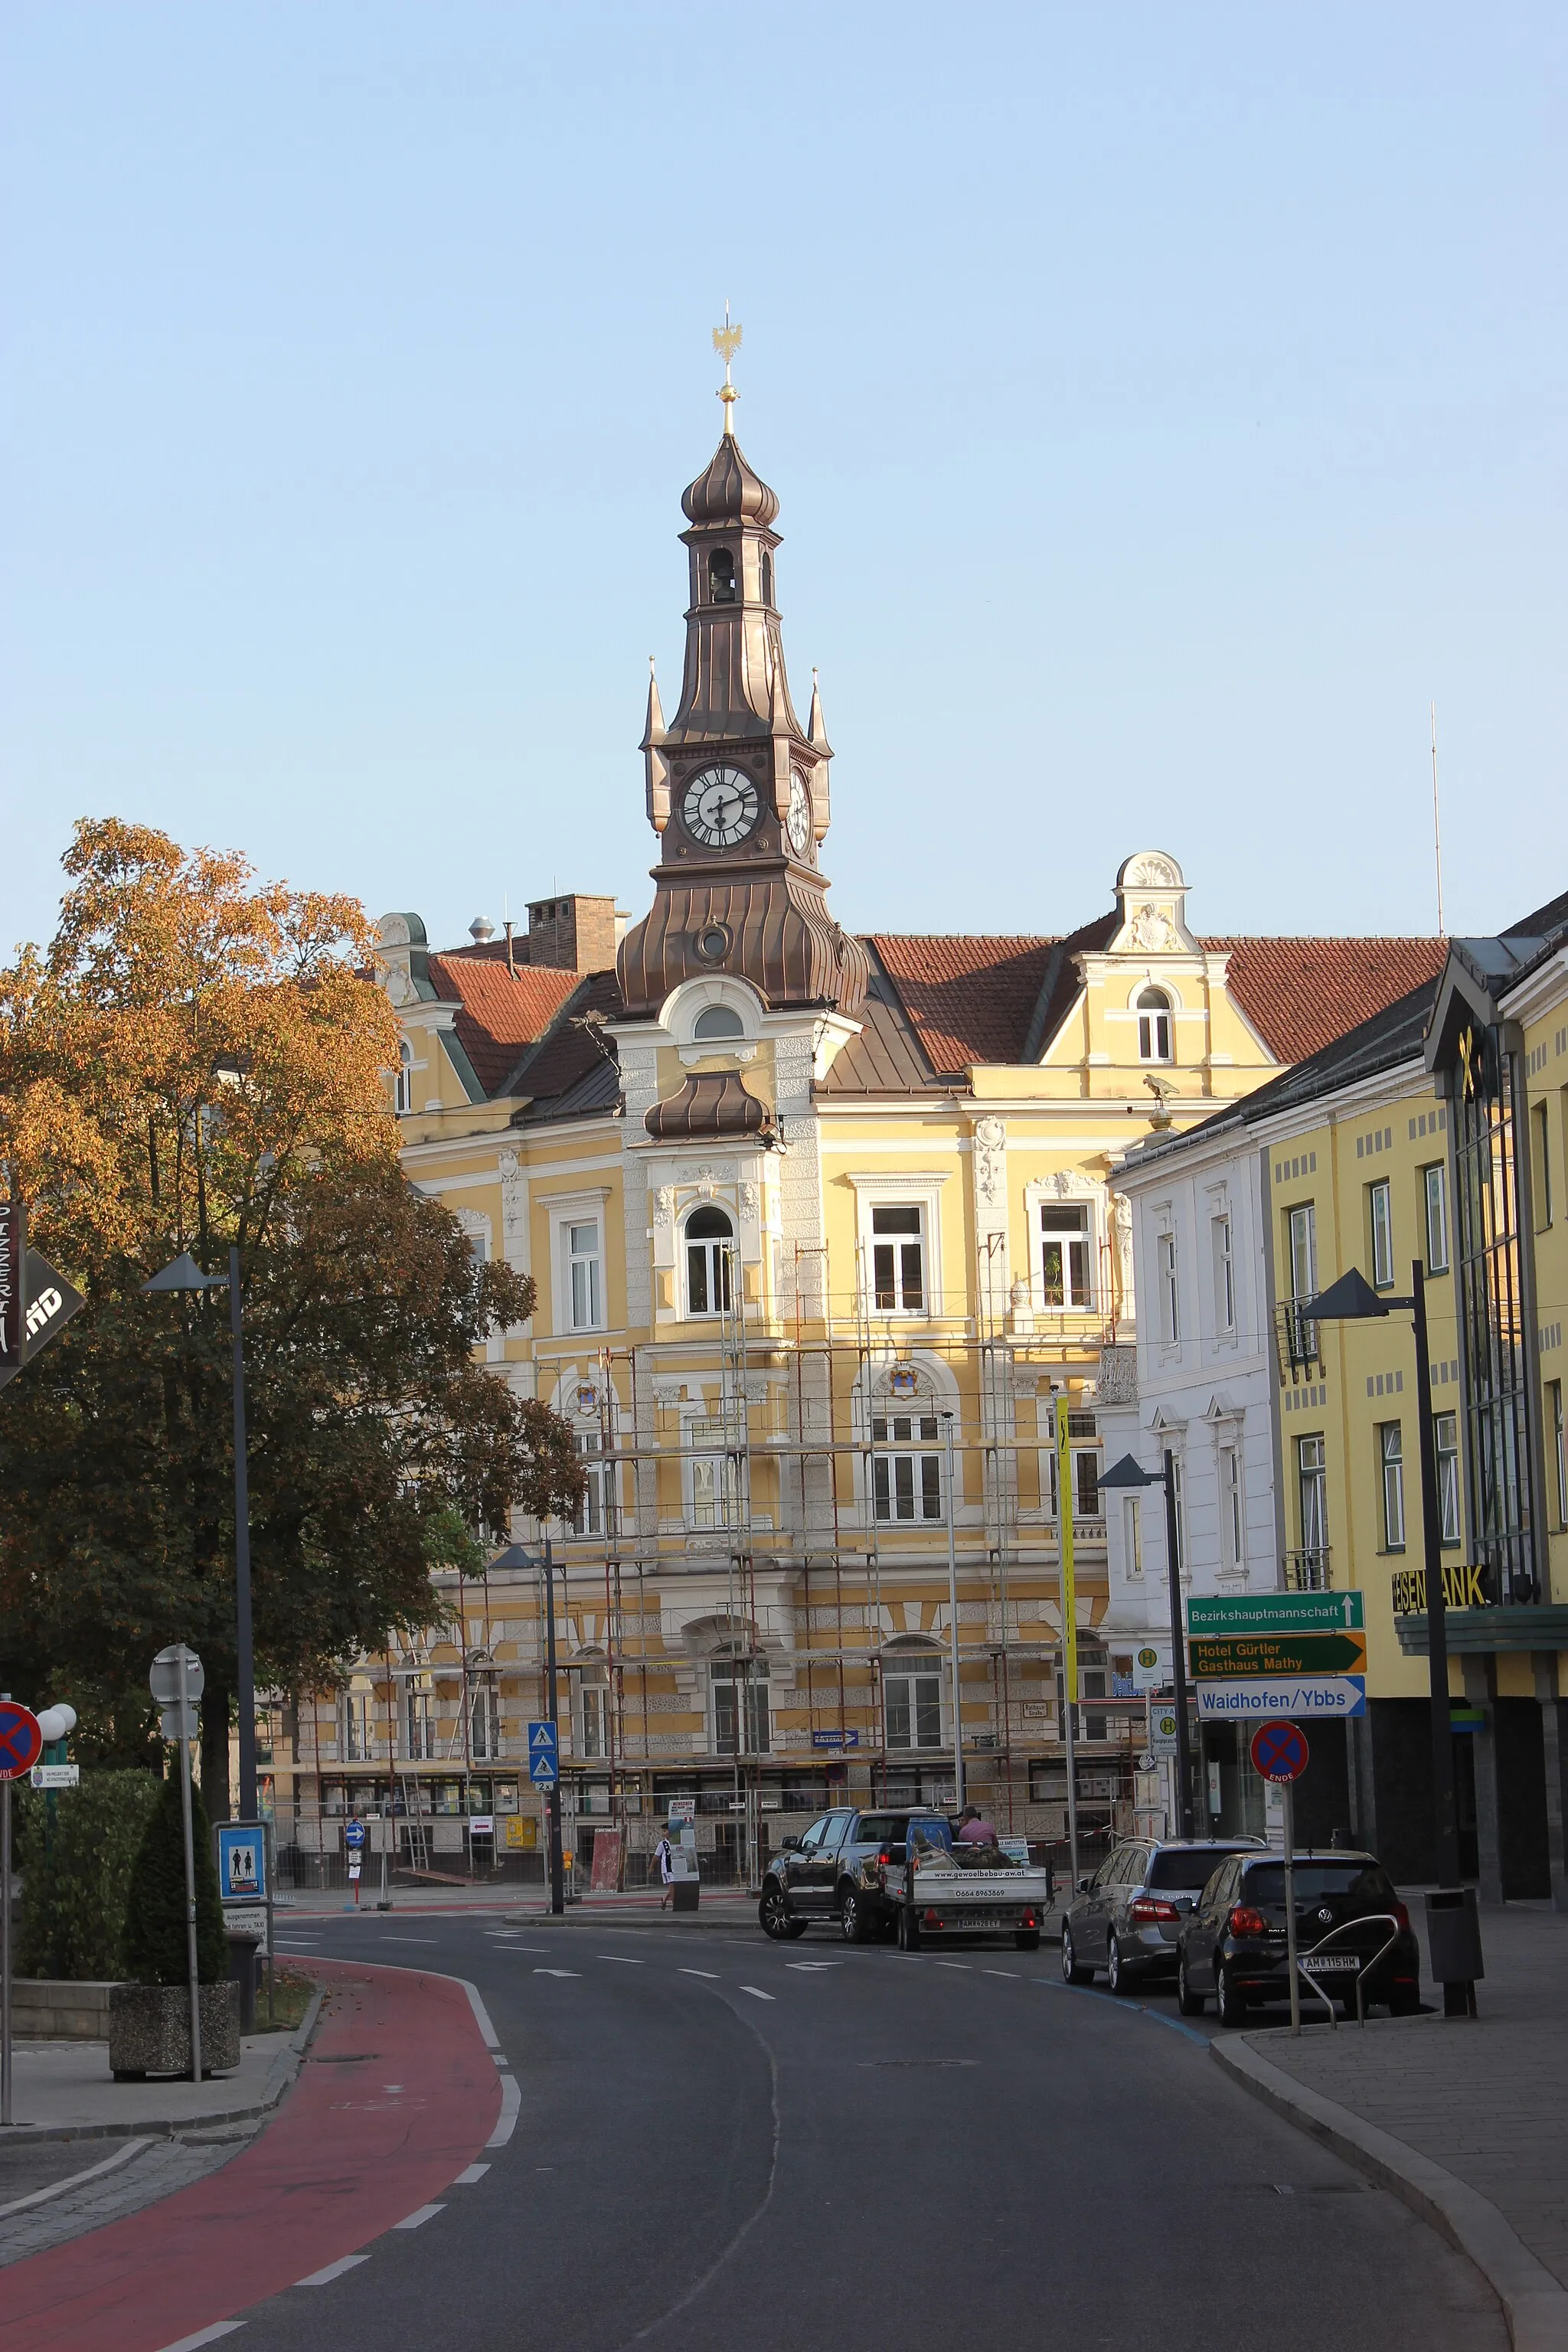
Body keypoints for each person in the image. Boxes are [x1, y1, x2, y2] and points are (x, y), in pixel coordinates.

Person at [654, 1828, 675, 1909]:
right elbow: (656, 1856)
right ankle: (675, 1903)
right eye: (663, 1831)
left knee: (675, 1885)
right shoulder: (662, 1844)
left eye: (666, 1830)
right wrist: (651, 1867)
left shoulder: (675, 1842)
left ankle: (665, 1898)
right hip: (667, 1867)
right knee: (672, 1884)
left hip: (675, 1866)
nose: (664, 1833)